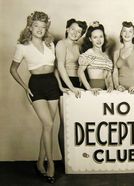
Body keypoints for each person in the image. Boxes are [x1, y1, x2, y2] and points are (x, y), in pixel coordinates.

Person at [10, 11, 62, 183]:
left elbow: (54, 68)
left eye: (43, 26)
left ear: (46, 27)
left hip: (52, 85)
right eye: (36, 26)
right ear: (30, 27)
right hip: (36, 86)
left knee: (47, 127)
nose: (40, 29)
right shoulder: (22, 46)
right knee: (48, 124)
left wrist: (60, 85)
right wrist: (25, 88)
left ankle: (40, 162)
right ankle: (51, 165)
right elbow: (13, 70)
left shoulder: (50, 43)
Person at [56, 18, 87, 161]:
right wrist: (70, 87)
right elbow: (60, 67)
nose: (75, 33)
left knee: (78, 121)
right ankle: (65, 159)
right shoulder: (61, 44)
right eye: (73, 29)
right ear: (67, 29)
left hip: (77, 82)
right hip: (67, 81)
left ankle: (76, 158)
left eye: (79, 31)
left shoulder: (78, 47)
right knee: (65, 122)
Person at [78, 21, 113, 95]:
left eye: (101, 36)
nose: (99, 40)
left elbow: (108, 76)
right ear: (90, 39)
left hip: (104, 90)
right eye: (95, 37)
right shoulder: (89, 53)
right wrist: (89, 89)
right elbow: (80, 71)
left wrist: (110, 86)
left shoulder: (106, 56)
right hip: (93, 89)